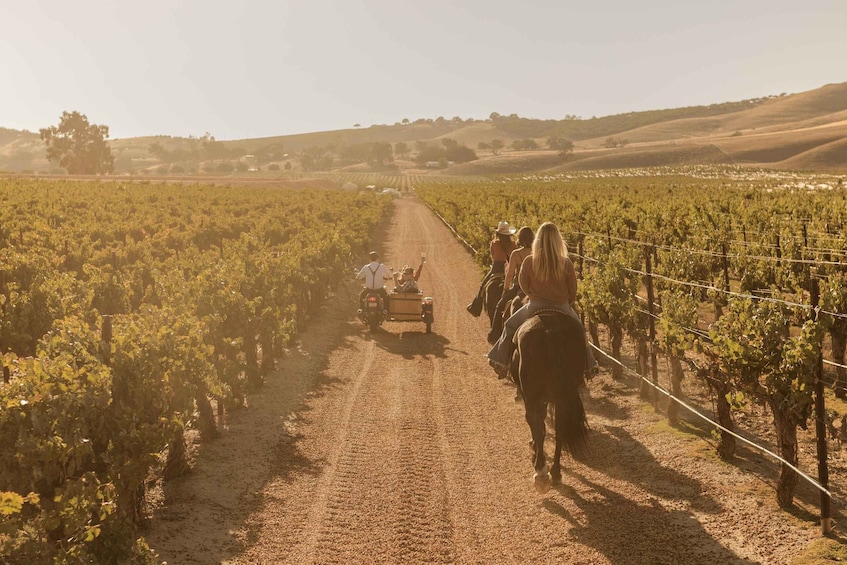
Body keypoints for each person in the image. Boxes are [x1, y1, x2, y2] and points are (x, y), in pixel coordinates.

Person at [487, 222, 598, 378]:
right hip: (562, 306)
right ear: (558, 240)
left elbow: (524, 285)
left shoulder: (529, 261)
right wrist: (566, 301)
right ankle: (590, 365)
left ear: (538, 239)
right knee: (580, 330)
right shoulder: (566, 262)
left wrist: (533, 295)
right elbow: (573, 290)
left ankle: (500, 361)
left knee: (509, 325)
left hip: (535, 305)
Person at [487, 226, 534, 344]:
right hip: (535, 289)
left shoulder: (516, 254)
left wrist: (505, 289)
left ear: (520, 238)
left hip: (518, 287)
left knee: (499, 307)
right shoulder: (537, 253)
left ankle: (494, 334)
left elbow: (509, 275)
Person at [466, 221, 517, 316]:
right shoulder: (514, 244)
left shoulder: (494, 243)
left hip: (496, 268)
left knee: (483, 285)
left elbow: (493, 257)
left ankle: (475, 307)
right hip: (510, 268)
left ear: (498, 234)